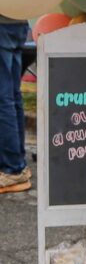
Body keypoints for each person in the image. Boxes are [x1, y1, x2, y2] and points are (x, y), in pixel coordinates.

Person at [0, 15, 31, 194]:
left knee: (4, 100)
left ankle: (12, 168)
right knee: (11, 97)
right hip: (17, 22)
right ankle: (17, 164)